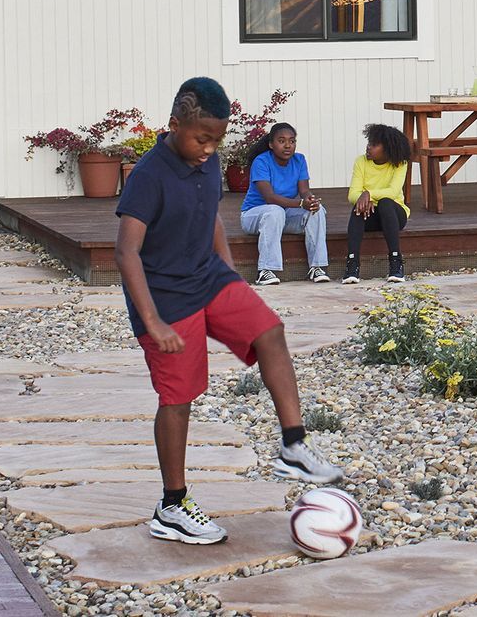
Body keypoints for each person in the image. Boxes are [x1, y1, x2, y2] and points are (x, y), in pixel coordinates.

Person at [116, 77, 343, 545]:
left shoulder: (207, 158)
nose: (209, 149)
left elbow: (211, 215)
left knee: (269, 331)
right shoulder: (148, 176)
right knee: (179, 397)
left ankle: (294, 444)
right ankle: (172, 505)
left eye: (216, 140)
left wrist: (228, 271)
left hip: (208, 278)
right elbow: (126, 253)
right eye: (202, 138)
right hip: (165, 297)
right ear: (174, 124)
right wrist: (154, 321)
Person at [238, 122, 328, 285]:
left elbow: (304, 190)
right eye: (282, 141)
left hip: (283, 215)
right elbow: (270, 197)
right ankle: (265, 270)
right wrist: (301, 203)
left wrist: (310, 200)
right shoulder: (262, 161)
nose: (288, 145)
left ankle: (317, 267)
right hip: (254, 215)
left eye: (292, 141)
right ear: (271, 144)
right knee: (274, 210)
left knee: (318, 210)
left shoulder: (299, 160)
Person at [343, 123, 413, 284]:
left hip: (394, 216)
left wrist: (368, 194)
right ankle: (352, 263)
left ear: (388, 150)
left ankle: (396, 262)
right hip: (370, 214)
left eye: (374, 145)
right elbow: (352, 194)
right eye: (369, 143)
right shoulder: (361, 162)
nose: (368, 147)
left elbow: (393, 192)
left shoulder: (400, 163)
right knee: (358, 207)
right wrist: (363, 199)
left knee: (386, 203)